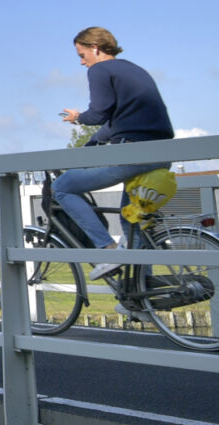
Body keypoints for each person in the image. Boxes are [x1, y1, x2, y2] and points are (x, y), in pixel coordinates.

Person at [56, 26, 174, 282]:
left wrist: (78, 118)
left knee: (62, 187)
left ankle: (107, 250)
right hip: (162, 153)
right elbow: (118, 119)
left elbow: (99, 113)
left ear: (95, 48)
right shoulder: (133, 69)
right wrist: (93, 143)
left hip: (133, 154)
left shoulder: (100, 70)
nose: (81, 62)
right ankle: (143, 292)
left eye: (81, 54)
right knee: (130, 217)